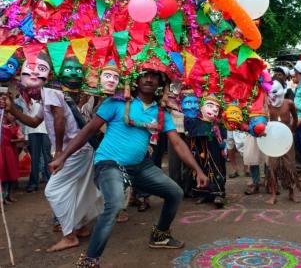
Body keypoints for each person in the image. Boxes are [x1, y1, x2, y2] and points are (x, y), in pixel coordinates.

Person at [48, 63, 208, 267]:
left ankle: (160, 235)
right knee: (114, 204)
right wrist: (63, 157)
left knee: (175, 193)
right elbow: (88, 130)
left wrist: (198, 170)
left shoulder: (161, 113)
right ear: (136, 79)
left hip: (140, 166)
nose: (149, 79)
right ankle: (90, 260)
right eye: (144, 75)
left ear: (161, 82)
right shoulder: (115, 103)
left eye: (154, 76)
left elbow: (177, 143)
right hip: (109, 165)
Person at [1, 52, 103, 252]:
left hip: (75, 151)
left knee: (52, 190)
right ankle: (81, 227)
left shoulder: (51, 93)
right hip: (79, 151)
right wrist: (12, 109)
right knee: (75, 189)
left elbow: (59, 119)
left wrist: (58, 152)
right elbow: (33, 121)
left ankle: (69, 235)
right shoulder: (47, 96)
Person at [265, 81, 301, 204]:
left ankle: (292, 192)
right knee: (273, 166)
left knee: (289, 165)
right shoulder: (268, 105)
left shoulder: (289, 103)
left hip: (287, 139)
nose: (274, 96)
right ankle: (274, 195)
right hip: (272, 140)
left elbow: (295, 119)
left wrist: (292, 131)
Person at [15, 96, 52, 193]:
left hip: (46, 130)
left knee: (47, 157)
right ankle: (33, 183)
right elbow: (27, 116)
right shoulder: (27, 98)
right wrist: (26, 135)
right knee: (35, 158)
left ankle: (51, 182)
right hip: (32, 130)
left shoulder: (46, 97)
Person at [0, 111, 25, 204]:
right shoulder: (1, 125)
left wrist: (14, 140)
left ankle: (9, 195)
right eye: (12, 114)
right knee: (2, 173)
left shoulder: (15, 126)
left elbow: (21, 137)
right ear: (5, 114)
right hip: (2, 151)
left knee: (11, 173)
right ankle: (3, 197)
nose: (14, 117)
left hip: (10, 152)